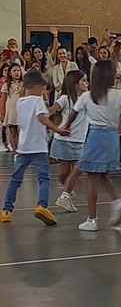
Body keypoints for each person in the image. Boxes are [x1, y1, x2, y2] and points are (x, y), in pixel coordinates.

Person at [64, 60, 121, 231]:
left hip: (96, 137)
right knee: (102, 175)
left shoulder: (87, 96)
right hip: (112, 138)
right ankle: (117, 200)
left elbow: (73, 114)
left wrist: (66, 126)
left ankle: (92, 219)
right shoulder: (117, 94)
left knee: (92, 179)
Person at [0, 70, 69, 224]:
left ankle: (6, 210)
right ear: (37, 87)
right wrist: (57, 129)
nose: (44, 92)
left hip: (23, 147)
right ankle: (41, 205)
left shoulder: (20, 102)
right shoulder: (38, 101)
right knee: (44, 178)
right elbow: (42, 118)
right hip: (38, 147)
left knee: (15, 179)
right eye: (43, 89)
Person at [51, 70, 89, 212]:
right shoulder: (65, 99)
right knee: (64, 172)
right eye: (83, 80)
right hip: (63, 140)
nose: (87, 83)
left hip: (79, 141)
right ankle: (67, 189)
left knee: (77, 169)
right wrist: (50, 122)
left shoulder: (87, 99)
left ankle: (65, 195)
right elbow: (52, 109)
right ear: (75, 84)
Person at [0, 63, 23, 153]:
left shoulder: (23, 84)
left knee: (21, 131)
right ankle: (15, 151)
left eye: (18, 70)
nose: (17, 72)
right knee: (13, 131)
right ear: (10, 73)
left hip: (21, 109)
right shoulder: (6, 85)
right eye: (14, 71)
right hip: (11, 110)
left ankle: (21, 150)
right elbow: (3, 99)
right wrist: (2, 112)